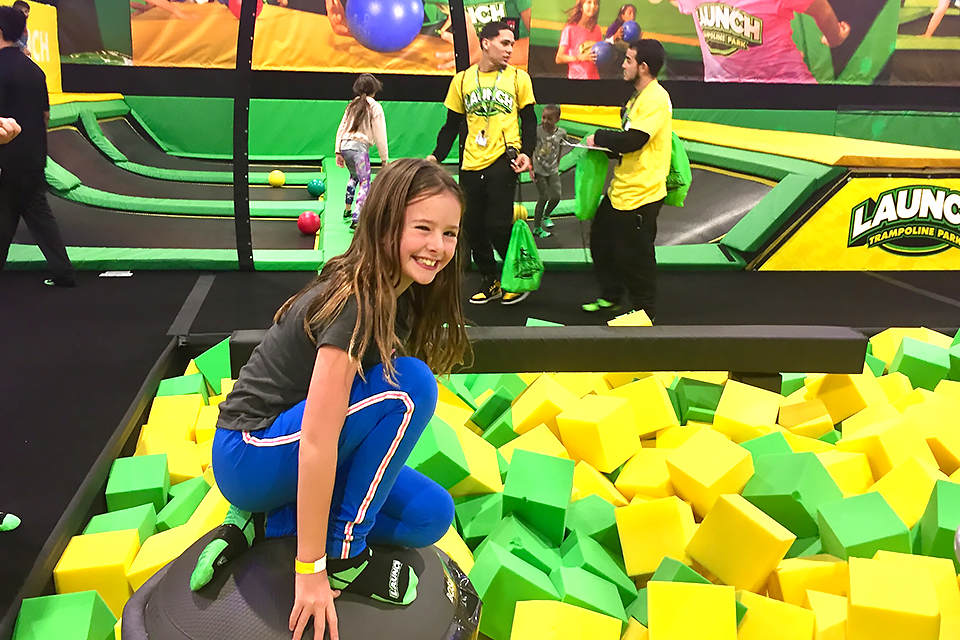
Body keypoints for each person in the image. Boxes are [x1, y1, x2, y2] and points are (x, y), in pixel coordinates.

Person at [189, 159, 469, 640]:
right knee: (414, 388)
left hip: (284, 451)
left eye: (449, 233)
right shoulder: (361, 298)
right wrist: (312, 567)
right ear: (385, 225)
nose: (438, 247)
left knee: (431, 515)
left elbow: (349, 429)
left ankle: (268, 521)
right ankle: (344, 554)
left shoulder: (402, 293)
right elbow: (319, 439)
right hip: (248, 452)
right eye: (423, 228)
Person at [428, 21, 536, 306]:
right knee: (473, 226)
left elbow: (530, 120)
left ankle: (517, 274)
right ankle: (492, 280)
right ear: (486, 43)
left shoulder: (518, 79)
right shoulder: (462, 80)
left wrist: (528, 152)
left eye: (512, 44)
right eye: (505, 43)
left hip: (504, 158)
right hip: (470, 163)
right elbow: (451, 125)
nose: (510, 49)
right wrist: (436, 156)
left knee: (498, 225)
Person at [581, 39, 671, 320]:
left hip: (642, 193)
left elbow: (636, 139)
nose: (623, 64)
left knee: (635, 256)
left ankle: (646, 311)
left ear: (643, 67)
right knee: (601, 242)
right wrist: (603, 148)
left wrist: (602, 137)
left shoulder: (655, 98)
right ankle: (611, 295)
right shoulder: (637, 97)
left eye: (629, 60)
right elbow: (631, 143)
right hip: (622, 188)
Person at [0, 7, 76, 287]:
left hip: (6, 160)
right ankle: (63, 272)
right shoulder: (34, 70)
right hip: (33, 156)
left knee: (7, 215)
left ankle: (63, 271)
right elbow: (45, 115)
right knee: (37, 215)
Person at [672, 0, 850, 82]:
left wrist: (835, 37)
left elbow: (820, 8)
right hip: (727, 97)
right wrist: (835, 37)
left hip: (787, 92)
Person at [335, 73, 389, 230]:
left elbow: (342, 127)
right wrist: (384, 158)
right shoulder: (375, 107)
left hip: (345, 145)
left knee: (354, 176)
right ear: (375, 89)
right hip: (359, 148)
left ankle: (347, 209)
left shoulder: (352, 104)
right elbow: (380, 133)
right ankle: (357, 217)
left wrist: (338, 150)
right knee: (365, 182)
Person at [530, 104, 567, 238]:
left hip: (552, 169)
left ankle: (546, 215)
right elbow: (530, 148)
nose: (545, 121)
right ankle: (537, 228)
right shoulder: (537, 131)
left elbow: (561, 148)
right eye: (543, 117)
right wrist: (531, 168)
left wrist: (557, 163)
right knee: (543, 196)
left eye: (549, 119)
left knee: (557, 196)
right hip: (539, 169)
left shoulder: (561, 133)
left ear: (557, 119)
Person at [555, 0, 603, 80]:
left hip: (594, 80)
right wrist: (580, 57)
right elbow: (559, 58)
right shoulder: (570, 30)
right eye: (589, 2)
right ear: (581, 6)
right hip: (576, 80)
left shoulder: (597, 29)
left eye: (595, 3)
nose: (593, 6)